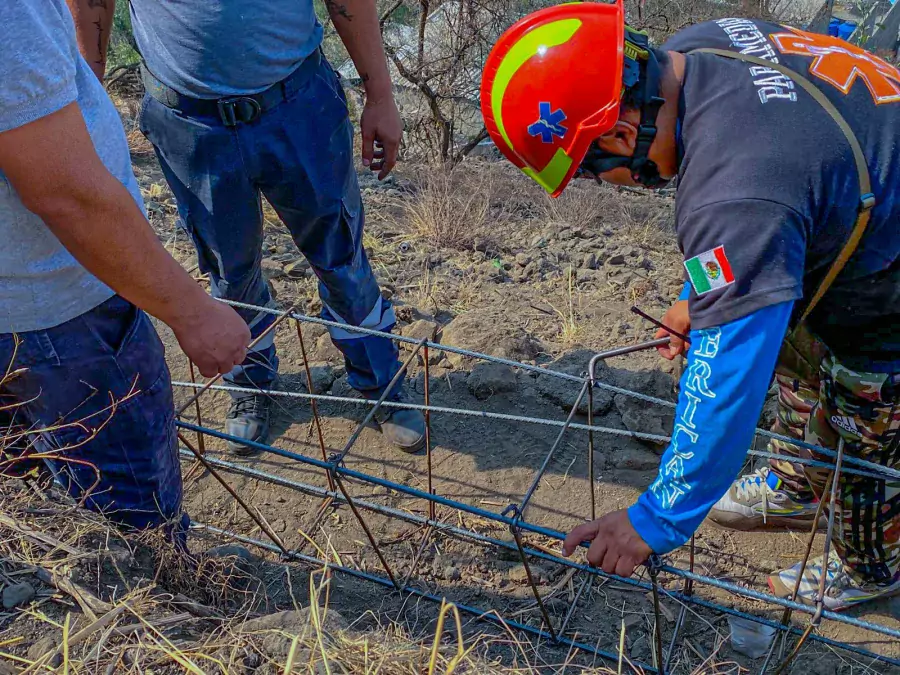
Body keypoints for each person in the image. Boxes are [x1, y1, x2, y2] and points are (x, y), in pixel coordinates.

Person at [481, 1, 900, 609]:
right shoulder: (700, 48)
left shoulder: (736, 191)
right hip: (870, 211)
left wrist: (658, 518)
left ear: (623, 137)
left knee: (867, 418)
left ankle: (874, 566)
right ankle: (798, 487)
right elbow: (768, 216)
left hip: (886, 290)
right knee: (782, 333)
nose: (608, 185)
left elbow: (725, 375)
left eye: (595, 172)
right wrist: (696, 293)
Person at [68, 0, 426, 455]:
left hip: (300, 108)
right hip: (188, 125)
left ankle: (381, 383)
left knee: (341, 257)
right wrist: (90, 110)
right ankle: (250, 383)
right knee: (230, 269)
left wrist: (381, 97)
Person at [0, 1, 250, 534]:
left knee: (24, 495)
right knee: (135, 518)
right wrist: (194, 313)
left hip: (22, 309)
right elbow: (67, 194)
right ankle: (159, 602)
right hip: (59, 316)